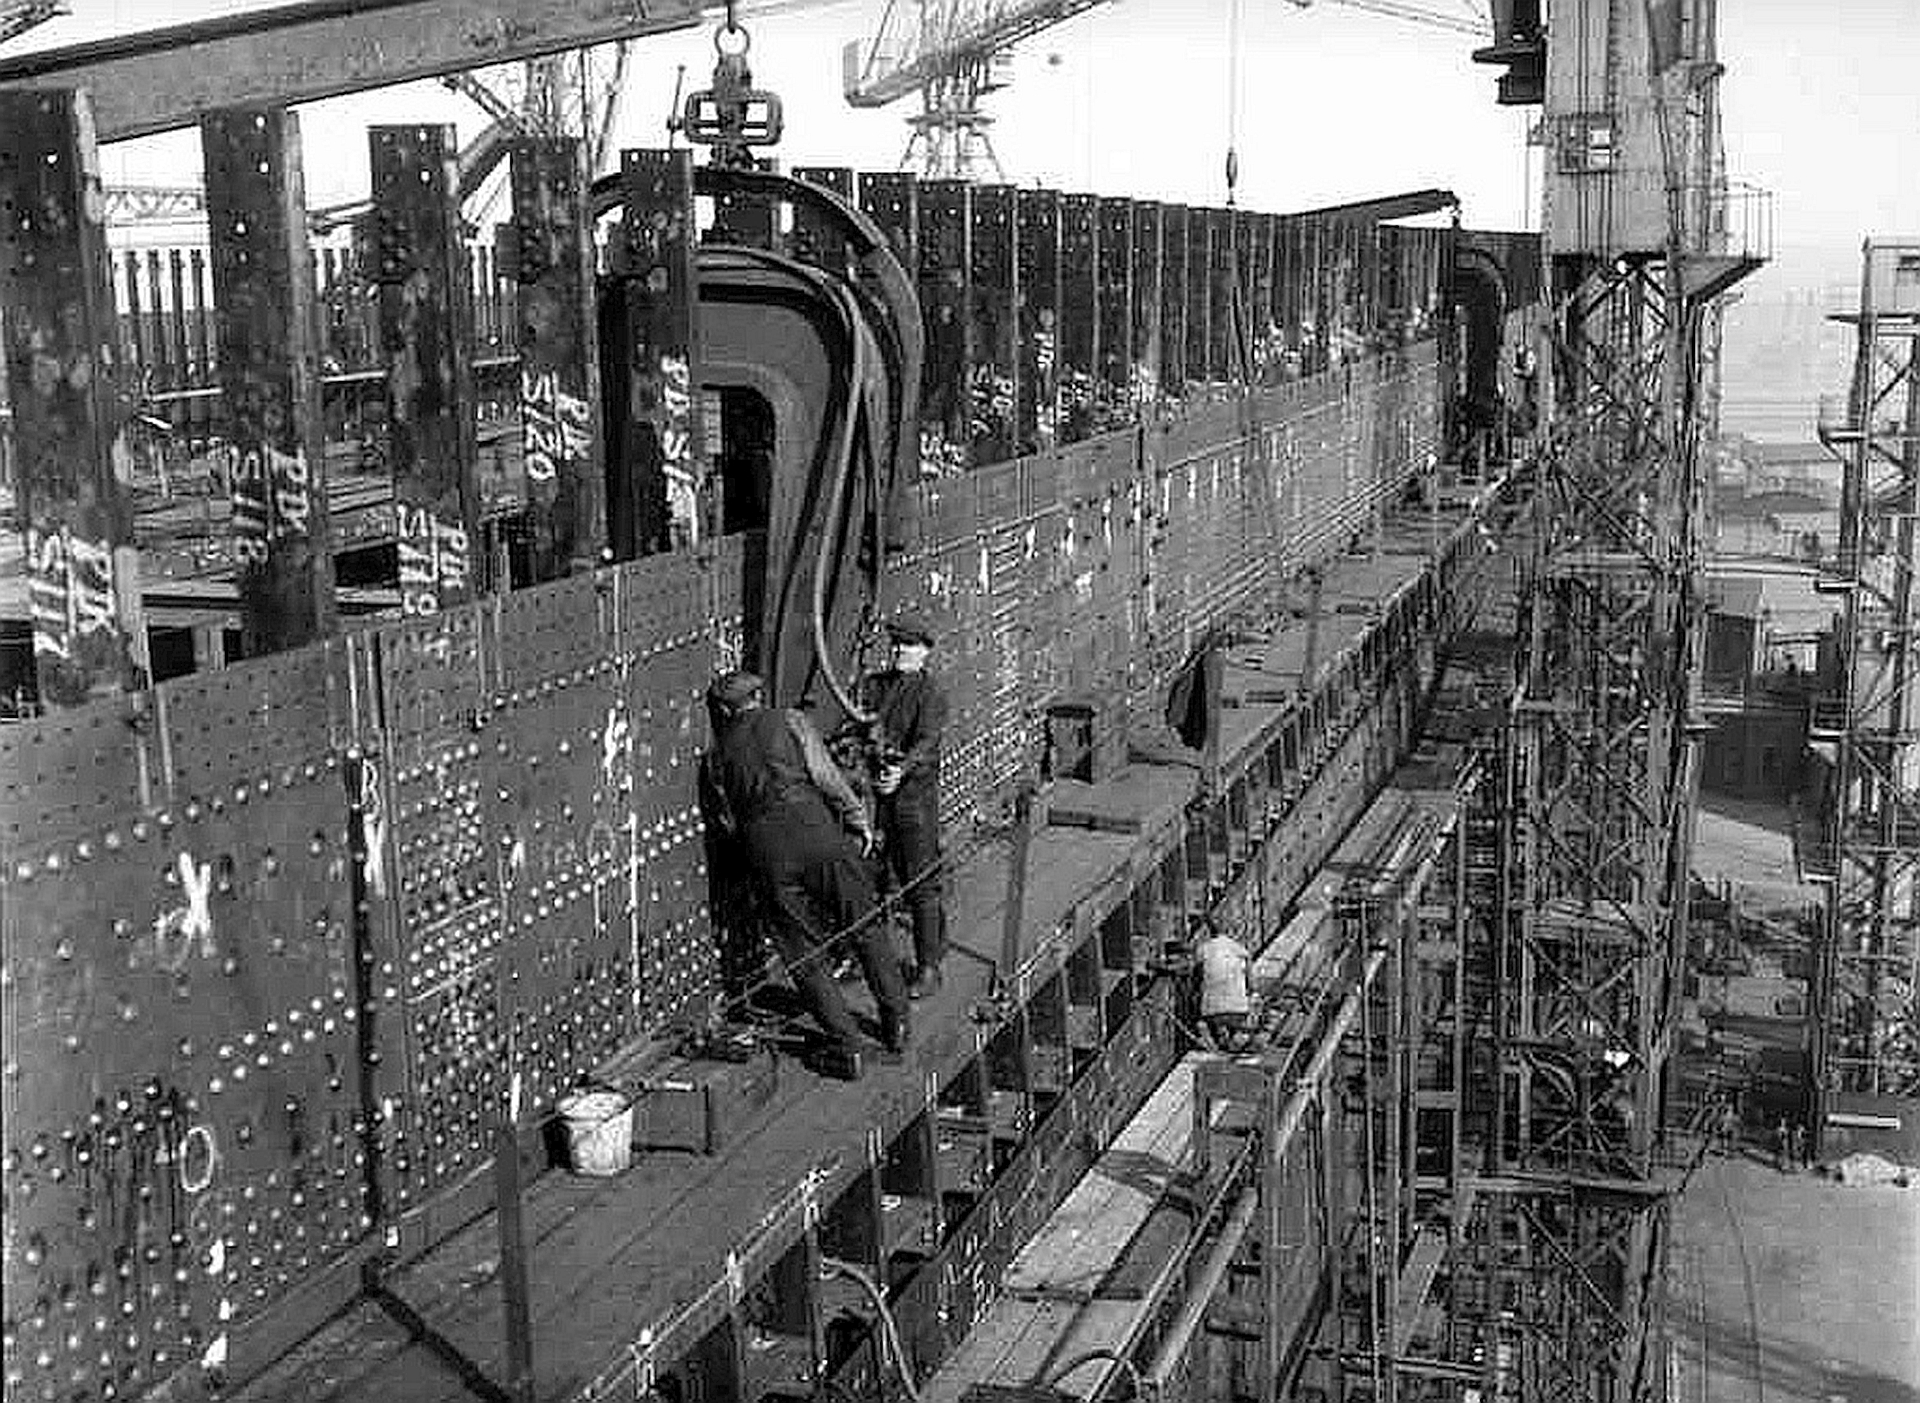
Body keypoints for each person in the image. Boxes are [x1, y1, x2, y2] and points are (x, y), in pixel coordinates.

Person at [701, 670, 909, 1078]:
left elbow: (727, 821)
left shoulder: (716, 757)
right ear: (760, 695)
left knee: (804, 954)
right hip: (818, 833)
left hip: (767, 851)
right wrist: (857, 819)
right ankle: (896, 1022)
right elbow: (826, 777)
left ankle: (847, 1047)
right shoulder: (792, 721)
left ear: (725, 710)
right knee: (864, 924)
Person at [860, 614, 949, 1000]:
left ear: (925, 653)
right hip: (880, 795)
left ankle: (929, 967)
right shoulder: (876, 686)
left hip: (914, 798)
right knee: (875, 875)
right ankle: (869, 956)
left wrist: (901, 771)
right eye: (896, 645)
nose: (899, 651)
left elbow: (927, 741)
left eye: (908, 646)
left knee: (920, 884)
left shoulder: (930, 693)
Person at [1195, 919, 1253, 1053]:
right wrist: (1250, 987)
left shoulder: (1204, 948)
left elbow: (1196, 973)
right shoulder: (1236, 947)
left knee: (1205, 1016)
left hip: (1212, 1012)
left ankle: (1220, 1032)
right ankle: (1232, 1034)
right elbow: (1248, 960)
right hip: (1239, 1010)